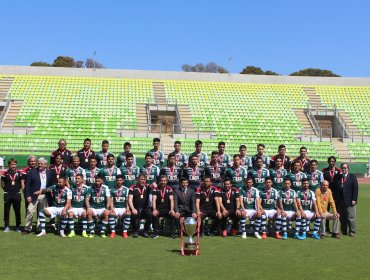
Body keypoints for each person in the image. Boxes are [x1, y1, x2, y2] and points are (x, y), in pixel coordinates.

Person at [23, 157, 53, 234]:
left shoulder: (50, 173)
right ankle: (27, 228)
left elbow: (52, 185)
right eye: (39, 163)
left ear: (45, 165)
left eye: (41, 163)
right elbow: (27, 185)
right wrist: (28, 196)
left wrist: (46, 191)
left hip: (44, 195)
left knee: (41, 212)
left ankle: (39, 228)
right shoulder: (32, 172)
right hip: (33, 195)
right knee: (30, 211)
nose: (39, 165)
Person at [334, 163, 358, 237]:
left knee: (351, 217)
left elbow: (356, 189)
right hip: (340, 200)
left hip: (349, 200)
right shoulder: (338, 176)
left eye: (345, 168)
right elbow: (335, 188)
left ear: (348, 169)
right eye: (342, 168)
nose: (344, 169)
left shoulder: (352, 176)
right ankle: (344, 231)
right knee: (342, 217)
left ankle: (352, 231)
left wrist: (354, 199)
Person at [1, 159, 23, 232]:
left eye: (14, 164)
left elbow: (21, 184)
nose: (13, 166)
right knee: (6, 211)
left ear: (16, 165)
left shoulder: (20, 173)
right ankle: (7, 226)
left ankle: (17, 226)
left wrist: (17, 190)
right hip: (7, 195)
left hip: (17, 194)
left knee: (17, 211)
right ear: (9, 165)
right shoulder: (5, 173)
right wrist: (6, 191)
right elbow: (2, 183)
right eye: (12, 164)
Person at [67, 174, 89, 238]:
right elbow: (69, 198)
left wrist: (86, 208)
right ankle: (72, 231)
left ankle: (84, 232)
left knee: (85, 214)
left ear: (82, 180)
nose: (77, 180)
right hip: (73, 207)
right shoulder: (71, 187)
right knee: (70, 214)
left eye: (78, 178)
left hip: (82, 208)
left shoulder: (87, 188)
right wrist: (70, 206)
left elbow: (87, 199)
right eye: (76, 178)